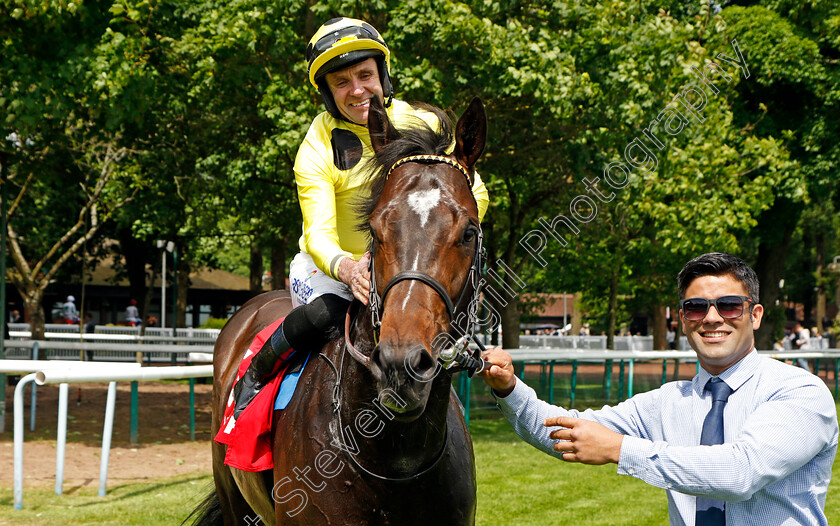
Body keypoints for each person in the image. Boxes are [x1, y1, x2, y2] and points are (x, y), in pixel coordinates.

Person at [230, 17, 490, 417]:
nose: (356, 90)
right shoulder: (315, 147)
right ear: (327, 93)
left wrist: (441, 242)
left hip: (408, 263)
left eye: (365, 75)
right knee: (327, 313)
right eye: (341, 82)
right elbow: (318, 235)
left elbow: (475, 194)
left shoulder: (427, 125)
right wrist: (349, 269)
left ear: (382, 75)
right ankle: (255, 375)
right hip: (333, 269)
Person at [480, 252, 838, 525]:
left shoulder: (800, 392)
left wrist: (621, 450)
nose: (712, 317)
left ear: (755, 315)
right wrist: (510, 389)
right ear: (682, 319)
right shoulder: (667, 401)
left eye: (729, 305)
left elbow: (741, 472)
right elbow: (567, 431)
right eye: (695, 308)